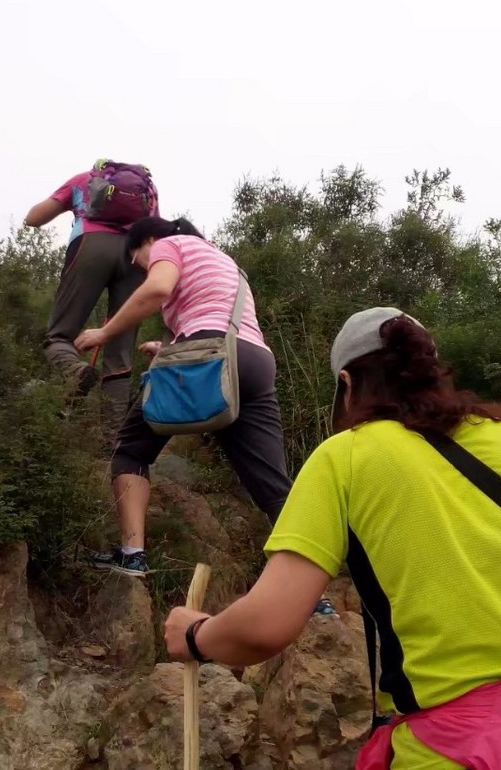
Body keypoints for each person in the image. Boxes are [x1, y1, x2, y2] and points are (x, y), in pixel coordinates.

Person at [158, 308, 501, 769]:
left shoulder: (345, 457)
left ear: (346, 385)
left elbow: (265, 626)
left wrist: (197, 635)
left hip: (463, 748)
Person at [74, 216, 337, 618]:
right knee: (273, 484)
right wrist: (166, 347)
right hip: (253, 362)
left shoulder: (168, 244)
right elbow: (214, 319)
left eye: (138, 260)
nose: (143, 267)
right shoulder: (225, 261)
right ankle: (313, 596)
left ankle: (131, 556)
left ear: (146, 240)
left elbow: (159, 288)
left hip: (211, 359)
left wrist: (104, 333)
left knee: (130, 452)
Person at [24, 161, 158, 433]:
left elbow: (34, 218)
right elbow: (155, 233)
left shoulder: (82, 180)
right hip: (136, 257)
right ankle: (113, 438)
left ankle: (76, 371)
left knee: (59, 335)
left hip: (90, 244)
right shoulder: (148, 191)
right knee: (120, 351)